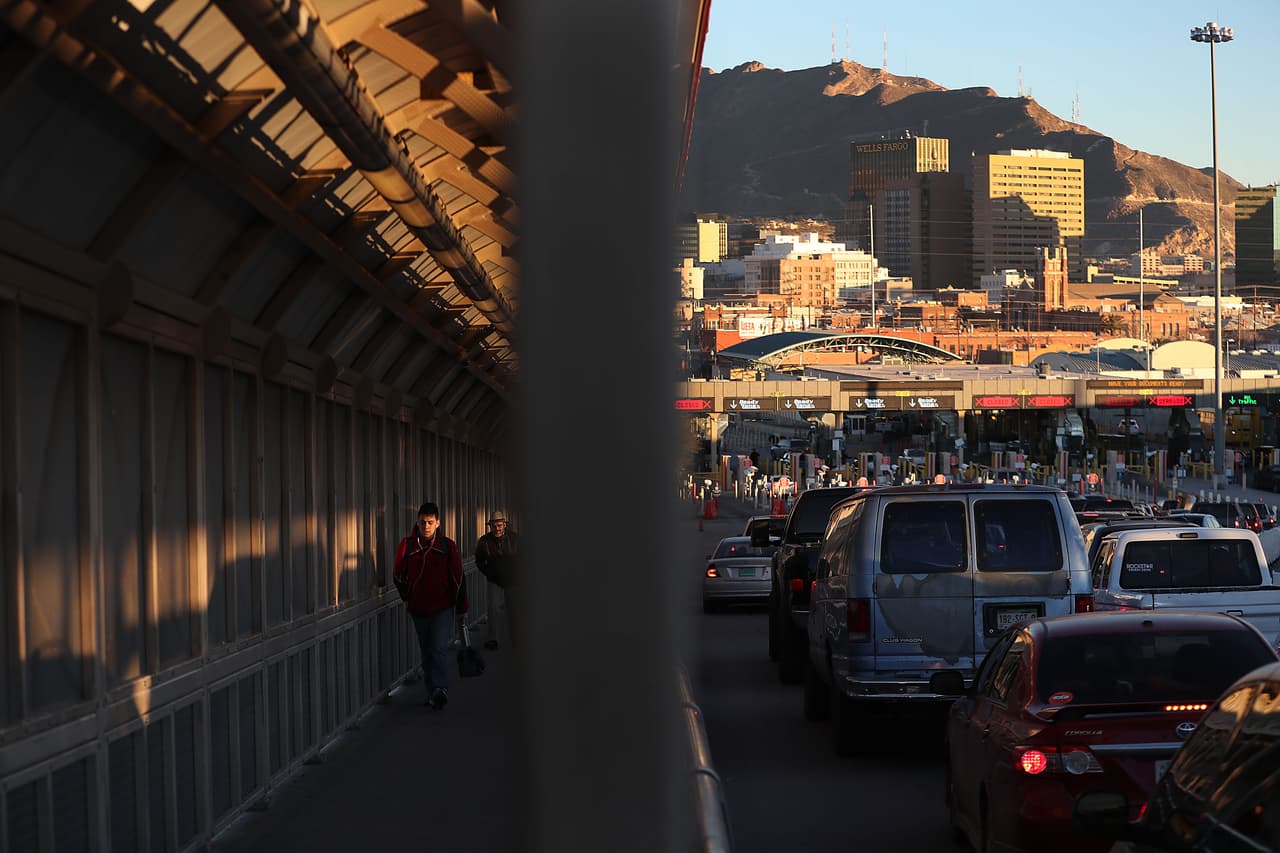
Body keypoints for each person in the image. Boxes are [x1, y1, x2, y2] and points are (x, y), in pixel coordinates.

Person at [393, 502, 466, 710]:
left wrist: (462, 608)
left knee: (438, 648)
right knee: (426, 650)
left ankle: (439, 688)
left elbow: (458, 578)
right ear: (417, 522)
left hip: (442, 607)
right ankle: (432, 691)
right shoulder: (407, 546)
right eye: (423, 522)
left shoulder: (447, 546)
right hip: (418, 609)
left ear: (438, 523)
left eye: (430, 522)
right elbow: (398, 574)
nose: (426, 526)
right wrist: (408, 596)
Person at [475, 512, 519, 650]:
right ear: (490, 526)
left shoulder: (515, 539)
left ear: (505, 524)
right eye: (494, 526)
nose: (497, 529)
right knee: (493, 610)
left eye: (499, 525)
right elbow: (479, 560)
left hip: (513, 580)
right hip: (494, 579)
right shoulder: (484, 541)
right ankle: (493, 639)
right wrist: (489, 572)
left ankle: (517, 638)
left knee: (514, 609)